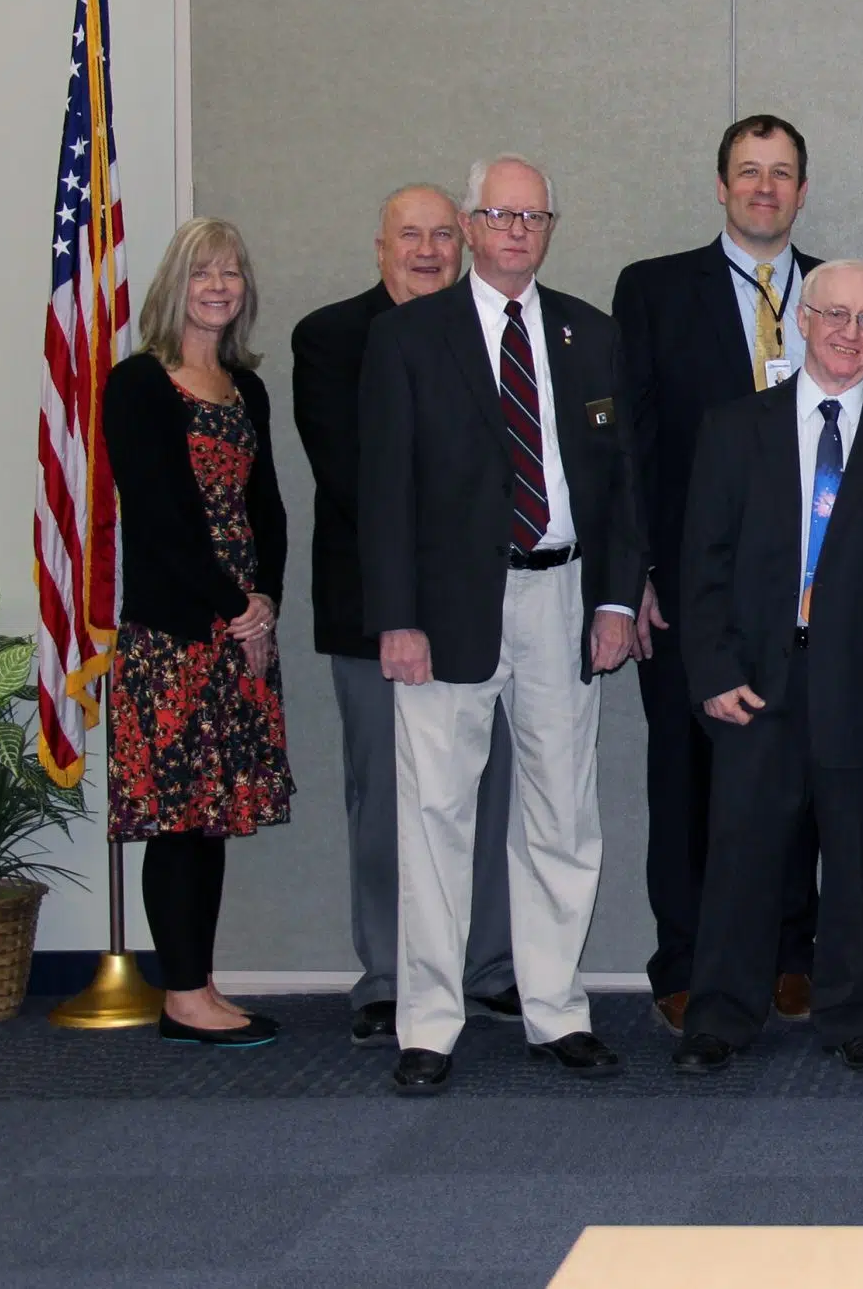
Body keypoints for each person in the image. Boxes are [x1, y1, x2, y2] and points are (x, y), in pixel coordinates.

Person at [360, 155, 642, 1094]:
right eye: (500, 214)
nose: (517, 230)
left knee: (563, 813)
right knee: (435, 816)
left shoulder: (590, 332)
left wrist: (614, 600)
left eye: (534, 216)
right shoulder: (410, 336)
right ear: (471, 224)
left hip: (564, 598)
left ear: (550, 228)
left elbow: (622, 480)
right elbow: (384, 490)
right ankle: (429, 1024)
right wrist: (397, 619)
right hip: (447, 612)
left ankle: (556, 1010)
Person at [668, 262, 863, 1076]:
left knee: (860, 862)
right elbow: (702, 560)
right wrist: (712, 669)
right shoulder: (735, 427)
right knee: (740, 856)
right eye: (835, 315)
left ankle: (854, 1012)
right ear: (803, 320)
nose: (851, 333)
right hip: (755, 682)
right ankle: (721, 1014)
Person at [611, 116, 830, 1037]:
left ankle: (788, 953)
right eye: (749, 171)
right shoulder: (655, 289)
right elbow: (628, 446)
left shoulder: (834, 294)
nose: (764, 187)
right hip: (687, 582)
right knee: (686, 772)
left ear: (802, 191)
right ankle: (686, 959)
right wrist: (634, 572)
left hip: (804, 586)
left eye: (781, 173)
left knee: (796, 775)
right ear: (720, 185)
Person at [291, 185, 521, 1049]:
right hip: (379, 610)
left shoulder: (493, 330)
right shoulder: (330, 338)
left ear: (464, 244)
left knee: (490, 791)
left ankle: (487, 965)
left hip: (491, 610)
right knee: (389, 796)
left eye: (441, 235)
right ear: (380, 246)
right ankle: (389, 976)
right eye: (409, 235)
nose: (427, 250)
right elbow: (358, 477)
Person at [104, 217, 293, 1047]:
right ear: (174, 286)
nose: (219, 286)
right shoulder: (138, 383)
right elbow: (160, 520)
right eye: (203, 272)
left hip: (239, 632)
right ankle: (182, 995)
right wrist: (232, 606)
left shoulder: (246, 386)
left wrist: (266, 601)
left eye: (232, 272)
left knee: (212, 813)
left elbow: (266, 507)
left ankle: (200, 981)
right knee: (179, 817)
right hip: (175, 636)